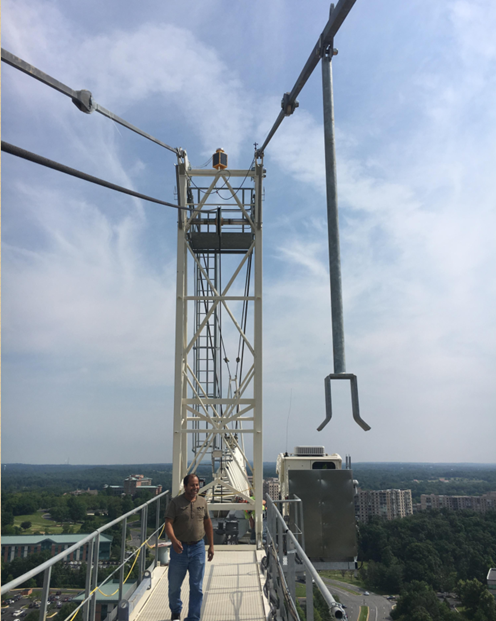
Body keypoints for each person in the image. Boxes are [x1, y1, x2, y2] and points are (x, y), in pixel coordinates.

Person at [165, 473, 214, 621]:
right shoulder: (175, 503)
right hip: (179, 549)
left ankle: (193, 617)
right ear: (185, 486)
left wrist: (211, 546)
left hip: (198, 547)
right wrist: (173, 540)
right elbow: (168, 523)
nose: (195, 487)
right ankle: (175, 611)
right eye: (192, 485)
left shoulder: (202, 502)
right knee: (174, 586)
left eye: (197, 484)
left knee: (196, 587)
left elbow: (207, 524)